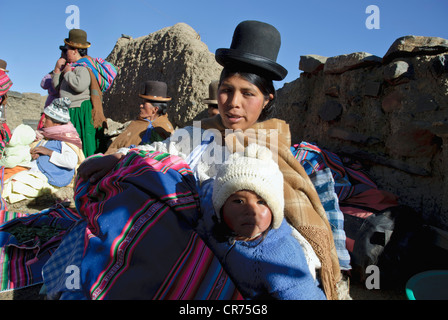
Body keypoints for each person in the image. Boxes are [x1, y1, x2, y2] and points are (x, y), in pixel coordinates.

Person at [77, 20, 341, 300]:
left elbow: (288, 241)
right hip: (169, 241)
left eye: (248, 93)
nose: (233, 102)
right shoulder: (196, 134)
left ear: (266, 99)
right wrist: (120, 158)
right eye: (227, 90)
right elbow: (159, 153)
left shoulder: (272, 150)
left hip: (226, 259)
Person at [194, 143, 326, 299]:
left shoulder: (280, 256)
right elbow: (208, 192)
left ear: (275, 210)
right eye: (239, 201)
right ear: (221, 207)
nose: (251, 211)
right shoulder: (212, 219)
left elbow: (303, 295)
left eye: (262, 202)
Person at [2, 97, 85, 204]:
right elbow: (40, 148)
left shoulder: (66, 139)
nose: (43, 120)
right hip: (36, 170)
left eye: (47, 118)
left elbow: (70, 162)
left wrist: (48, 152)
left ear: (56, 123)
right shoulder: (47, 134)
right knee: (6, 173)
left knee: (15, 184)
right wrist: (35, 153)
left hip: (51, 177)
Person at [52, 29, 108, 157]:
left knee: (82, 144)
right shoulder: (70, 67)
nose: (65, 53)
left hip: (80, 111)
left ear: (75, 50)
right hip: (71, 111)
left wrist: (68, 73)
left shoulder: (83, 67)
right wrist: (57, 70)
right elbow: (57, 87)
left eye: (67, 49)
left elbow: (79, 85)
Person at [104, 80, 174, 155]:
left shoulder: (161, 129)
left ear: (155, 110)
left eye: (144, 104)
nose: (140, 106)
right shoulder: (138, 123)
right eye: (141, 103)